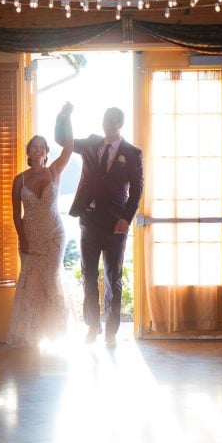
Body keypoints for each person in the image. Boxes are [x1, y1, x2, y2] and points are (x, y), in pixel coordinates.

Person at [55, 106, 143, 347]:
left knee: (113, 276)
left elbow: (136, 192)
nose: (108, 124)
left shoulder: (132, 154)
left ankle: (111, 331)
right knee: (89, 274)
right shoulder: (92, 144)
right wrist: (63, 118)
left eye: (113, 121)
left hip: (116, 223)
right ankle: (93, 325)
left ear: (120, 124)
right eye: (105, 120)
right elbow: (64, 140)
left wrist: (126, 218)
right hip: (90, 220)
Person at [6, 103, 74, 347]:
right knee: (31, 284)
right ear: (29, 151)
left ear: (46, 152)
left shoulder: (54, 171)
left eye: (41, 147)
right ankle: (33, 335)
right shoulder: (19, 180)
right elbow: (15, 213)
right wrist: (22, 238)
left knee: (51, 278)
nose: (37, 150)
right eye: (33, 147)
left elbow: (69, 147)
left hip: (54, 234)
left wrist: (66, 119)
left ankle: (58, 334)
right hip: (30, 236)